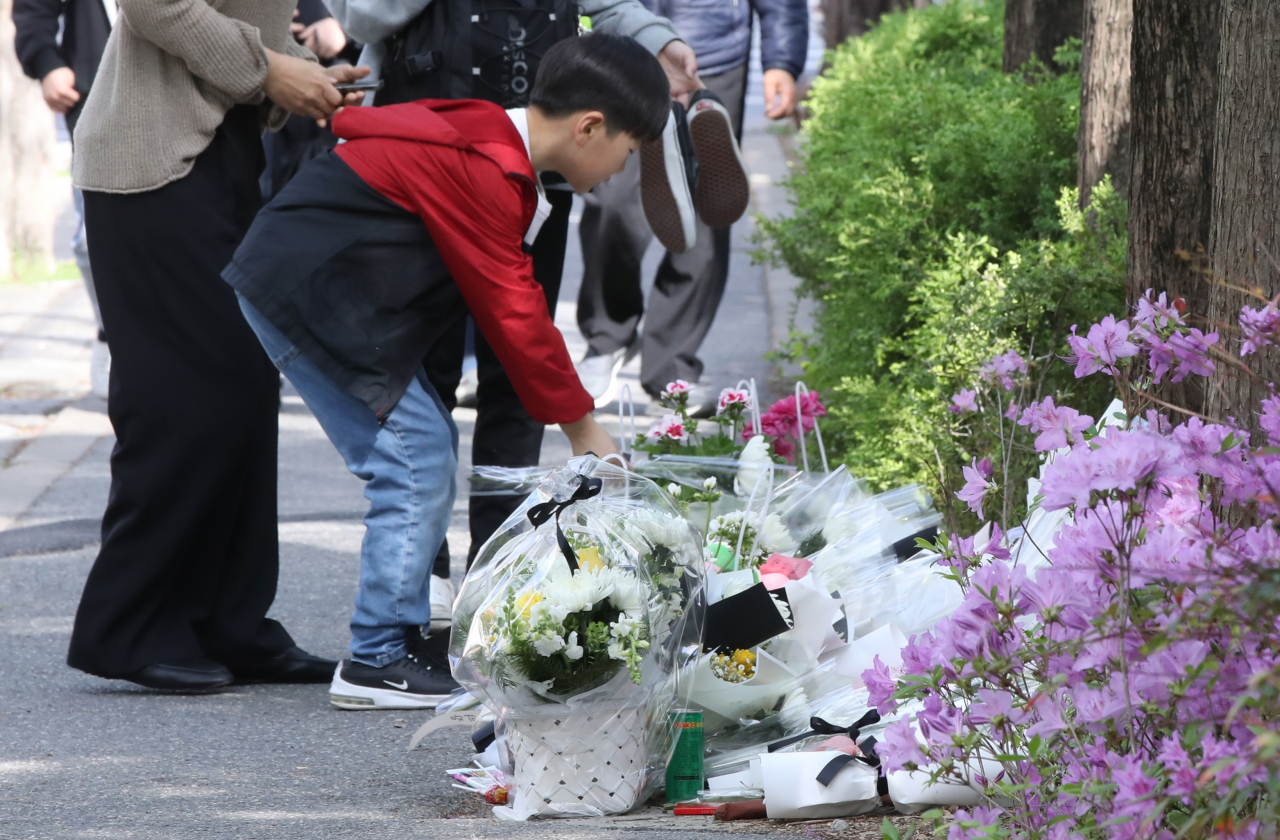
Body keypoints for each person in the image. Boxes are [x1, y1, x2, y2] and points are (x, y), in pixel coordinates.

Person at [222, 33, 657, 710]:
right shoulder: (490, 169)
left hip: (323, 287)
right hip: (305, 290)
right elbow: (514, 311)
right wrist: (583, 430)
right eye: (626, 153)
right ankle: (375, 659)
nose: (620, 170)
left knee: (423, 450)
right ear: (589, 127)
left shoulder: (489, 131)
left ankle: (396, 635)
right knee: (415, 459)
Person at [326, 0, 703, 635]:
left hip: (543, 152)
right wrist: (585, 427)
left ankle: (500, 565)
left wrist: (654, 39)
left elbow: (524, 325)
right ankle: (420, 577)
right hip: (440, 135)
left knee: (516, 363)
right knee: (427, 368)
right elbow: (362, 16)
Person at [65, 0, 369, 693]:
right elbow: (153, 7)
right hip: (149, 165)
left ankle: (228, 623)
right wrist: (270, 70)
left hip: (215, 153)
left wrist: (308, 75)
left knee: (244, 385)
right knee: (182, 397)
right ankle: (126, 626)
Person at [574, 0, 809, 410]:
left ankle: (672, 369)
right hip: (622, 49)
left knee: (707, 210)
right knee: (610, 200)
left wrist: (782, 59)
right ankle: (607, 339)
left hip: (712, 50)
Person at [14, 0, 114, 398]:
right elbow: (33, 11)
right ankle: (111, 332)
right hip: (94, 101)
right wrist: (47, 63)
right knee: (92, 240)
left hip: (183, 103)